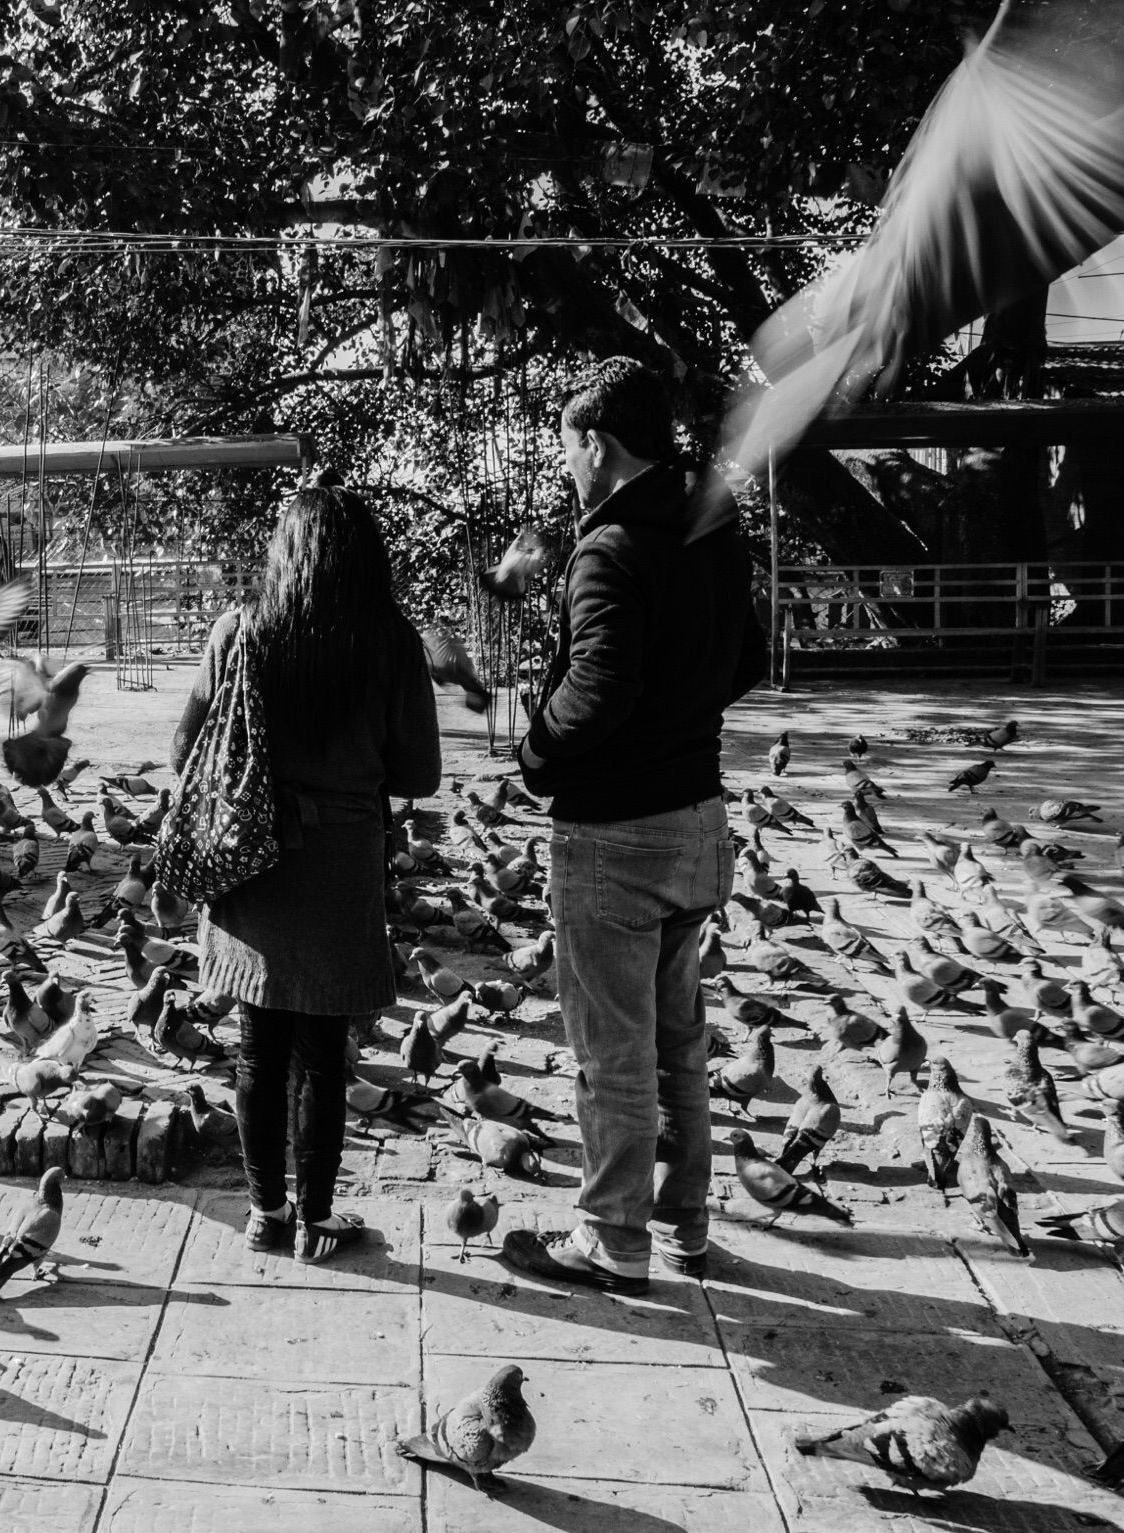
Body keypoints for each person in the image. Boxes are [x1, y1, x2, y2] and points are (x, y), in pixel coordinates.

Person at [499, 358, 766, 1296]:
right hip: (700, 817)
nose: (565, 467)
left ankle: (613, 1238)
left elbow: (598, 690)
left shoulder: (611, 547)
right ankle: (685, 1227)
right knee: (679, 1039)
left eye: (566, 449)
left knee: (611, 1048)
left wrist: (536, 757)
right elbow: (751, 656)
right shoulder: (712, 527)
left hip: (618, 832)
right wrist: (682, 716)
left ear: (598, 445)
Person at [172, 481, 442, 1264]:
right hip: (339, 863)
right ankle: (317, 1218)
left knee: (258, 1048)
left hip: (251, 860)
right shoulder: (392, 642)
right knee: (325, 1055)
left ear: (281, 554)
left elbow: (185, 750)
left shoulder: (240, 630)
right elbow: (420, 773)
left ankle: (264, 1211)